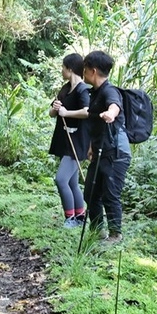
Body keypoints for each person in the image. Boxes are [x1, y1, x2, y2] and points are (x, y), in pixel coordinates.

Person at [57, 50, 130, 243]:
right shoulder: (95, 93)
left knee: (110, 193)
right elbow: (92, 122)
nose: (83, 72)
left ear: (93, 71)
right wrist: (90, 146)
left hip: (115, 152)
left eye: (85, 69)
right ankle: (97, 230)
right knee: (90, 192)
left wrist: (111, 114)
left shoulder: (109, 91)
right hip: (100, 150)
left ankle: (115, 235)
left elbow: (114, 105)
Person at [47, 54, 91, 228]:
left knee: (61, 179)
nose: (62, 70)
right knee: (72, 182)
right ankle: (80, 216)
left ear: (70, 69)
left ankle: (70, 218)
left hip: (77, 141)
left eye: (63, 67)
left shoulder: (83, 90)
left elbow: (87, 111)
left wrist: (66, 113)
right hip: (64, 140)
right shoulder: (65, 89)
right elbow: (52, 112)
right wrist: (56, 109)